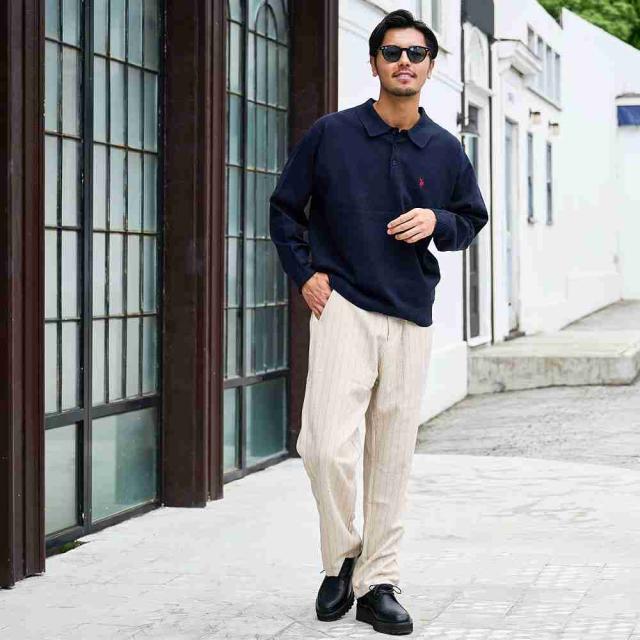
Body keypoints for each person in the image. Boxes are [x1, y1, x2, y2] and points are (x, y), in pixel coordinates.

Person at [269, 8, 488, 636]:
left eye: (416, 53)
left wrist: (437, 221)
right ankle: (344, 555)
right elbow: (285, 210)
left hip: (411, 315)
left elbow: (470, 218)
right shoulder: (332, 134)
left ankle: (378, 581)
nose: (404, 62)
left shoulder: (445, 149)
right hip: (343, 305)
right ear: (374, 63)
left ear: (430, 67)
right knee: (323, 446)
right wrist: (305, 273)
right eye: (392, 52)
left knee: (391, 455)